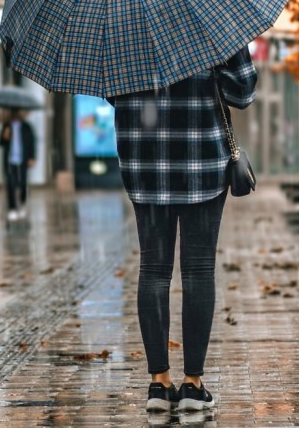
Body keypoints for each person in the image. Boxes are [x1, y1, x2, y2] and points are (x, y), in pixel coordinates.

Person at [108, 46, 256, 413]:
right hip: (201, 159)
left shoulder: (123, 26)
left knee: (153, 270)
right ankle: (193, 385)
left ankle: (159, 385)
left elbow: (113, 92)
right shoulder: (215, 24)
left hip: (144, 161)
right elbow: (243, 91)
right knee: (199, 270)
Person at [0, 109, 37, 221]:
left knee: (23, 183)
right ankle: (12, 208)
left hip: (23, 160)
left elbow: (32, 142)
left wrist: (32, 157)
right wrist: (5, 137)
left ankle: (22, 204)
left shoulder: (27, 127)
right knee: (10, 184)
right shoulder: (7, 126)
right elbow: (0, 142)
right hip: (10, 160)